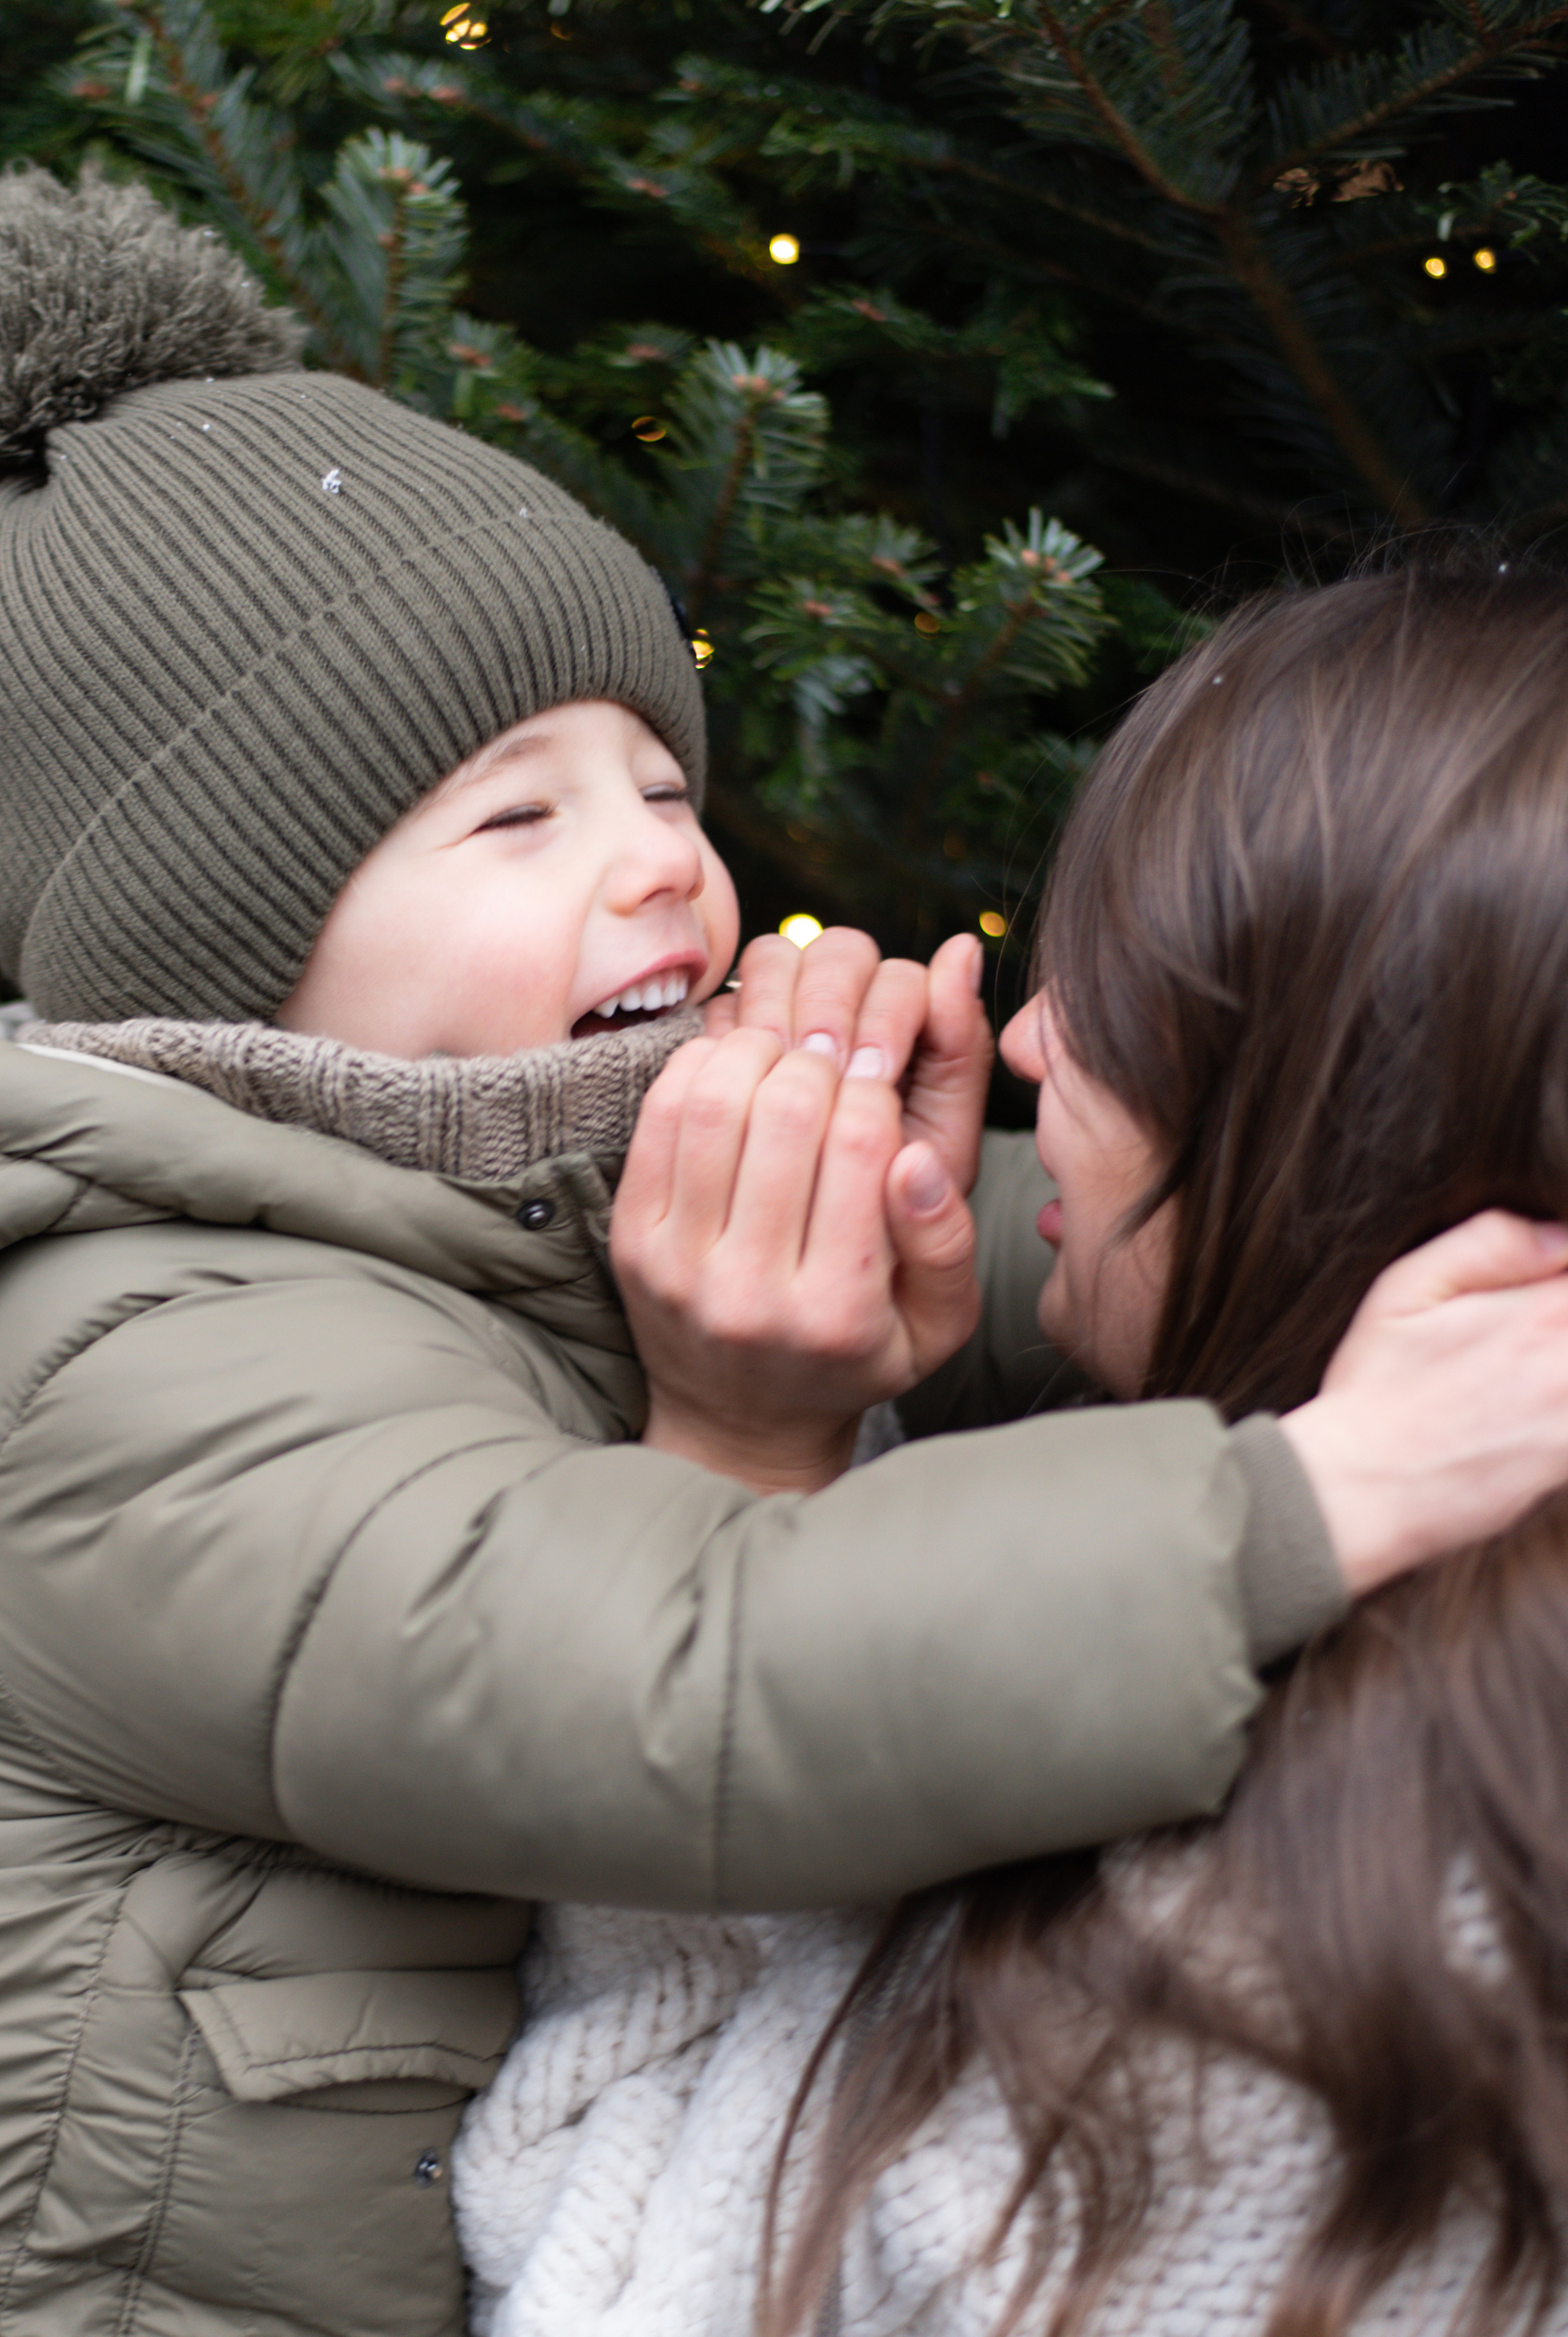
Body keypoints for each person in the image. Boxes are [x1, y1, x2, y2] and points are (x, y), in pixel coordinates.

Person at [0, 158, 1565, 2337]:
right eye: (520, 816)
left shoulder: (497, 1170)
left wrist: (1041, 1204)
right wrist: (1319, 1495)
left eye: (661, 785)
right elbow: (688, 1688)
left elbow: (1096, 1271)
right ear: (232, 959)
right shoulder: (127, 1370)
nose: (663, 870)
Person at [452, 558, 1568, 2337]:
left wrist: (728, 1473)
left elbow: (603, 2278)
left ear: (1356, 1105)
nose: (1035, 1038)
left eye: (1128, 1005)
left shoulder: (1317, 1949)